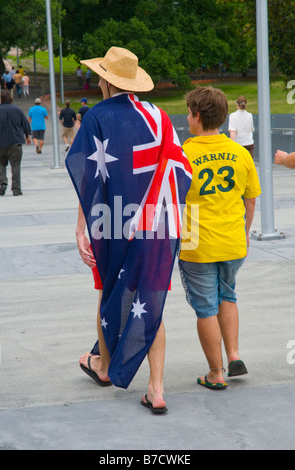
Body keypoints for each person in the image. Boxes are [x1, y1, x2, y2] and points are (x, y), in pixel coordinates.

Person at [65, 46, 192, 413]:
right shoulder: (160, 117)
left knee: (108, 293)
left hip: (112, 222)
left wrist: (81, 228)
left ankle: (104, 367)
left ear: (105, 80)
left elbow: (88, 178)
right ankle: (156, 389)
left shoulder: (96, 118)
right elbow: (179, 171)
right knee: (149, 299)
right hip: (156, 223)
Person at [179, 86, 261, 390]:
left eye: (189, 113)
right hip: (233, 239)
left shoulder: (184, 153)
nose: (188, 118)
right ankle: (234, 353)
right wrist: (245, 231)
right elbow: (250, 199)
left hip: (197, 242)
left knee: (205, 308)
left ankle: (216, 372)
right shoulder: (240, 153)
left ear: (198, 116)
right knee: (228, 295)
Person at [0, 89, 31, 196]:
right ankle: (16, 189)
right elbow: (25, 124)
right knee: (15, 165)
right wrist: (27, 136)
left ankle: (3, 182)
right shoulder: (17, 110)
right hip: (15, 142)